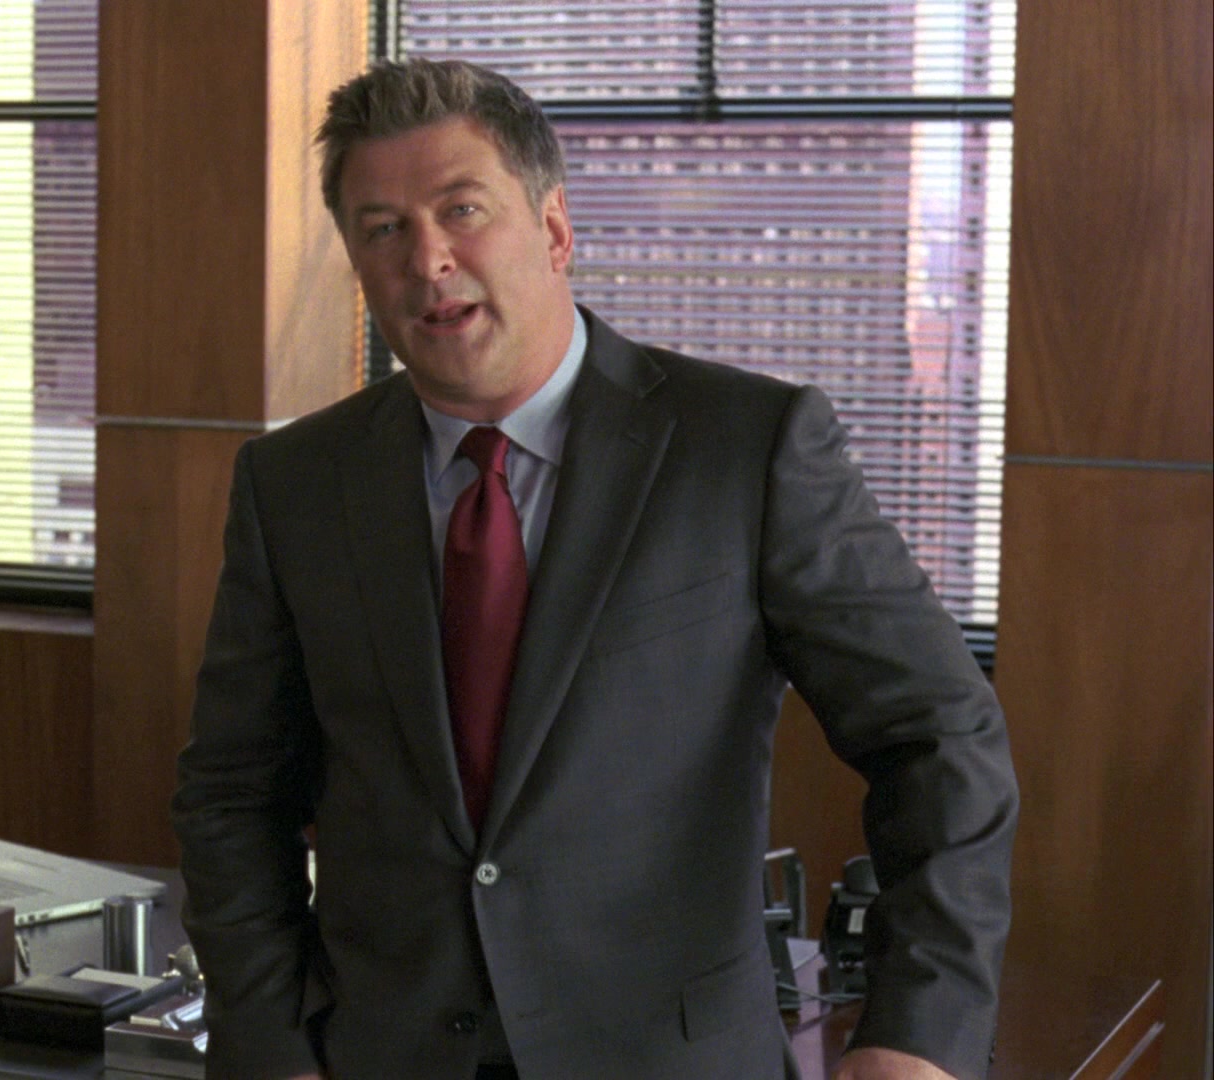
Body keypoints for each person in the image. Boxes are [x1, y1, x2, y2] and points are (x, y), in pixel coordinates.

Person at [170, 58, 1016, 1080]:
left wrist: (918, 1032)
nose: (427, 260)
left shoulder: (744, 448)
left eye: (461, 210)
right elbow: (233, 793)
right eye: (383, 229)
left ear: (555, 229)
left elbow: (938, 737)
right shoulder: (294, 482)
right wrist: (269, 1044)